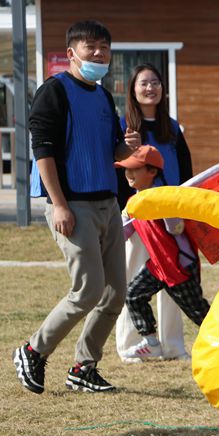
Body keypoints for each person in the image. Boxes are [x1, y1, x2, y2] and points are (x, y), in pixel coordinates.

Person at [12, 20, 140, 394]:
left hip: (107, 203)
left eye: (104, 48)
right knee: (88, 290)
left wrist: (126, 148)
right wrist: (58, 205)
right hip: (72, 205)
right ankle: (34, 349)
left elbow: (110, 151)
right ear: (71, 53)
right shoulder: (54, 91)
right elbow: (44, 153)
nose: (99, 54)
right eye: (90, 47)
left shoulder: (102, 96)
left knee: (116, 291)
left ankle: (84, 366)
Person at [116, 63, 195, 362]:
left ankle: (173, 345)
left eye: (155, 83)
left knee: (172, 277)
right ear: (133, 90)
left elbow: (186, 171)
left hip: (171, 214)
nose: (151, 88)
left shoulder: (172, 128)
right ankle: (132, 345)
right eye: (144, 83)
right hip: (139, 215)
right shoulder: (124, 127)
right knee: (135, 278)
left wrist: (186, 208)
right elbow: (119, 173)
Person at [117, 145, 210, 352]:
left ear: (152, 172)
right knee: (133, 295)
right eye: (126, 168)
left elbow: (176, 229)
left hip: (179, 267)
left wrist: (167, 209)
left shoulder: (165, 197)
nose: (128, 173)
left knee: (198, 312)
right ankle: (151, 343)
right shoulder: (133, 202)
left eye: (134, 168)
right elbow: (124, 232)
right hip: (158, 266)